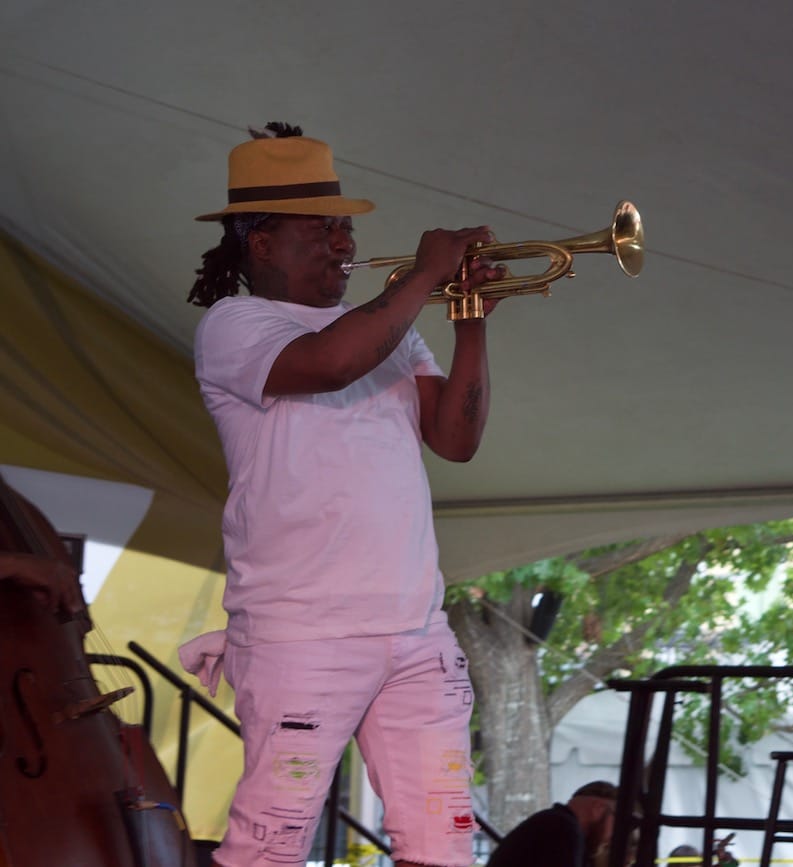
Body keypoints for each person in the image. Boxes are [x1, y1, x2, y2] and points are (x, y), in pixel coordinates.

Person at [181, 122, 504, 867]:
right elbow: (328, 365)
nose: (342, 243)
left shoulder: (391, 330)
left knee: (446, 847)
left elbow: (455, 439)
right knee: (271, 847)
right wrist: (422, 277)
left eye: (345, 227)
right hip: (302, 634)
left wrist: (470, 325)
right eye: (321, 229)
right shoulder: (236, 324)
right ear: (262, 243)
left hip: (416, 630)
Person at [484, 780, 621, 867]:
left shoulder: (553, 823)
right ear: (598, 808)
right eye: (617, 819)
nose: (612, 836)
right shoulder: (563, 829)